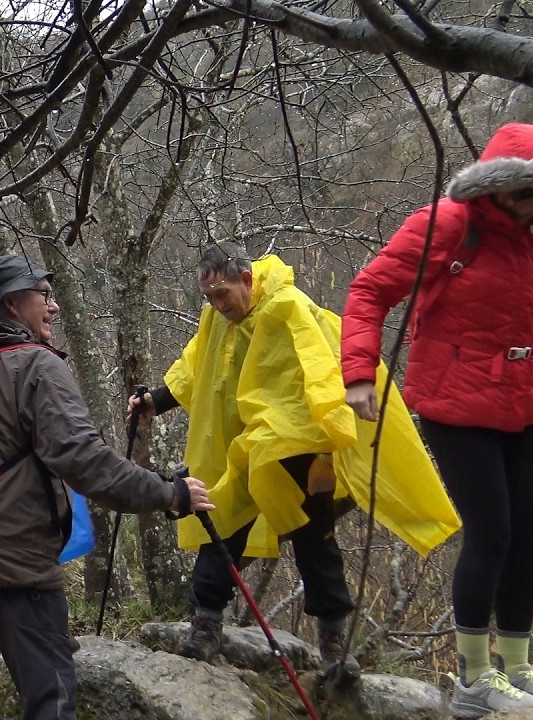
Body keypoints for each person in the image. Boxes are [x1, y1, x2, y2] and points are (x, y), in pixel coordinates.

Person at [0, 254, 211, 720]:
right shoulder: (34, 366)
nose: (53, 307)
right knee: (50, 700)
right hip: (18, 565)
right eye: (44, 296)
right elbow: (84, 459)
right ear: (13, 305)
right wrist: (169, 493)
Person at [129, 242, 459, 683]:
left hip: (297, 446)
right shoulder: (217, 319)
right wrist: (157, 400)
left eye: (222, 294)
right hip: (239, 447)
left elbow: (321, 368)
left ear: (247, 280)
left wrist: (331, 436)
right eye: (208, 297)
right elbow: (195, 364)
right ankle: (205, 626)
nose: (217, 304)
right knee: (221, 525)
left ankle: (334, 643)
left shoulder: (288, 307)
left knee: (313, 536)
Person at [342, 122, 533, 717]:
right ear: (493, 184)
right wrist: (359, 374)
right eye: (520, 190)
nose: (528, 203)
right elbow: (369, 291)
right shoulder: (448, 225)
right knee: (492, 532)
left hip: (525, 398)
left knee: (529, 533)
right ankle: (473, 677)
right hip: (454, 399)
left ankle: (517, 665)